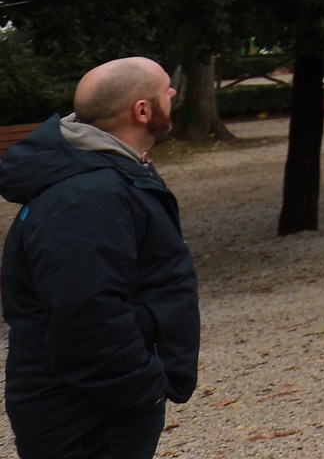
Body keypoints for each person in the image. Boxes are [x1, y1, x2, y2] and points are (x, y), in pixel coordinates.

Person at [0, 57, 199, 459]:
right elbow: (86, 312)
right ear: (142, 111)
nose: (173, 94)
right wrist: (141, 388)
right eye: (165, 89)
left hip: (90, 405)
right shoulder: (89, 195)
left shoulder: (113, 172)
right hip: (84, 414)